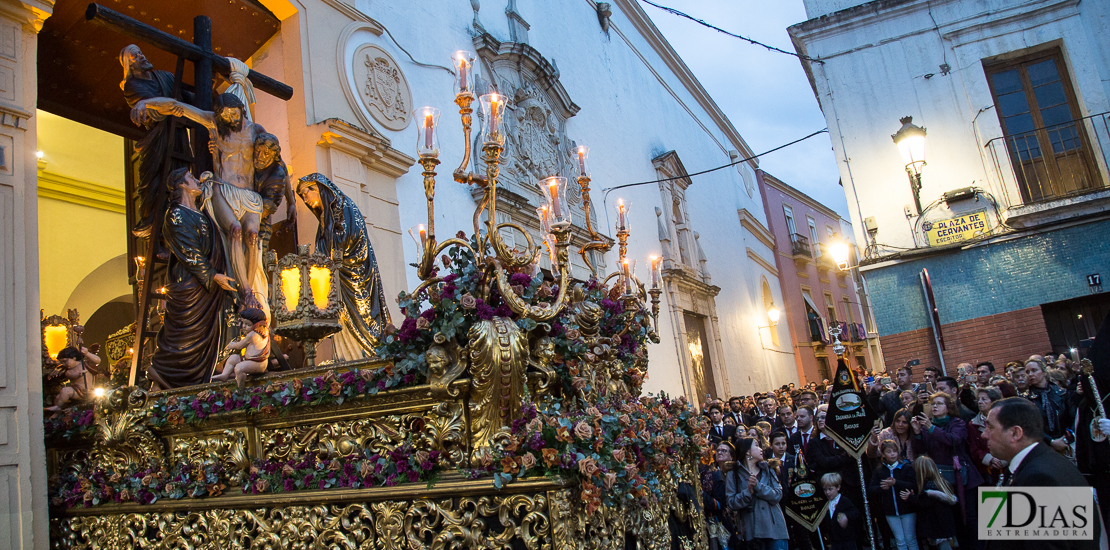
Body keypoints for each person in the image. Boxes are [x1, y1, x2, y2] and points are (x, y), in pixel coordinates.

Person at [149, 168, 236, 389]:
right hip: (190, 286)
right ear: (182, 185)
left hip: (207, 289)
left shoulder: (203, 212)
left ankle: (200, 382)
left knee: (206, 336)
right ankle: (167, 377)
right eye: (191, 178)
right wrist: (213, 275)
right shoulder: (176, 214)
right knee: (184, 337)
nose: (196, 180)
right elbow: (189, 251)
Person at [980, 397, 1100, 550]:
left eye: (990, 427)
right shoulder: (1040, 463)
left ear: (1015, 433)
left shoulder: (1040, 478)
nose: (984, 435)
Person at [296, 174, 392, 359]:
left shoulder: (343, 206)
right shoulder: (325, 216)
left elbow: (346, 238)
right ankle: (345, 360)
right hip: (336, 278)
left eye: (305, 192)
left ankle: (368, 356)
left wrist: (329, 258)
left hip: (354, 274)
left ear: (318, 189)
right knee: (340, 319)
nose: (305, 198)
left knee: (362, 317)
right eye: (302, 195)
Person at [910, 392, 983, 549]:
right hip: (942, 479)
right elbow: (920, 449)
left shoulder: (958, 423)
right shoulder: (929, 425)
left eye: (939, 403)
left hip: (963, 478)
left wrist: (930, 428)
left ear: (948, 407)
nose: (935, 406)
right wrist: (917, 433)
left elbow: (954, 441)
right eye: (933, 404)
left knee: (969, 517)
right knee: (953, 518)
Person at [726, 437, 790, 550]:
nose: (761, 449)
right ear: (747, 452)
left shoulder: (768, 469)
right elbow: (731, 503)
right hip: (751, 531)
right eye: (756, 445)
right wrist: (747, 493)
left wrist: (758, 487)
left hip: (775, 529)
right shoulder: (734, 474)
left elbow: (778, 495)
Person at [870, 439, 918, 550]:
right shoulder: (879, 471)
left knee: (910, 539)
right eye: (889, 452)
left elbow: (914, 485)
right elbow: (871, 489)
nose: (892, 454)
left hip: (907, 509)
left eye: (894, 451)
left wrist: (896, 483)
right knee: (900, 541)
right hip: (890, 511)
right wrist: (882, 488)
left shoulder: (906, 468)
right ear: (883, 454)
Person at [1022, 358, 1071, 453]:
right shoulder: (1025, 399)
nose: (1030, 374)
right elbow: (1029, 425)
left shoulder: (1062, 393)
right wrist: (1051, 441)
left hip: (1066, 441)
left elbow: (1073, 418)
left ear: (1044, 372)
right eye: (1027, 372)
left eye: (1034, 370)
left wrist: (1066, 438)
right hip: (1042, 445)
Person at [212, 307, 270, 387]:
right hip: (250, 360)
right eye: (243, 323)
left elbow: (239, 346)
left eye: (248, 324)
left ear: (257, 325)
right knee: (233, 358)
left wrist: (232, 345)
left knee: (239, 368)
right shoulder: (259, 332)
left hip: (258, 364)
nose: (244, 327)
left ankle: (240, 390)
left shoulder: (252, 335)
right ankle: (225, 374)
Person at [912, 455, 958, 550]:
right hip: (945, 527)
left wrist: (910, 498)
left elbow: (923, 503)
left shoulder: (927, 488)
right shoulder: (942, 483)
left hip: (937, 528)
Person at [703, 441, 739, 550]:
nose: (719, 453)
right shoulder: (711, 474)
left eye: (724, 451)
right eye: (718, 450)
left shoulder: (737, 473)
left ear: (732, 456)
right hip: (718, 520)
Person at [967, 386, 1006, 486]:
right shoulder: (973, 424)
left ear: (994, 401)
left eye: (984, 399)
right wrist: (990, 459)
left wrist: (1003, 460)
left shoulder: (1006, 420)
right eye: (978, 399)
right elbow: (974, 448)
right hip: (987, 471)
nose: (980, 402)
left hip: (1007, 466)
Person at [45, 346, 101, 411]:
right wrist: (79, 374)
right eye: (62, 362)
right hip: (77, 391)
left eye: (65, 361)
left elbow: (98, 361)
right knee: (59, 397)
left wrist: (87, 353)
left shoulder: (86, 364)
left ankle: (58, 407)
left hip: (87, 391)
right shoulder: (68, 371)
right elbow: (72, 375)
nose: (64, 364)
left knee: (65, 391)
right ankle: (58, 410)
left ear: (74, 358)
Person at [820, 472, 861, 550]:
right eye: (825, 490)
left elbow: (856, 513)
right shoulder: (825, 504)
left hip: (847, 540)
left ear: (838, 488)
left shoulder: (844, 501)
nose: (827, 492)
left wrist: (846, 516)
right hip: (834, 541)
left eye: (830, 489)